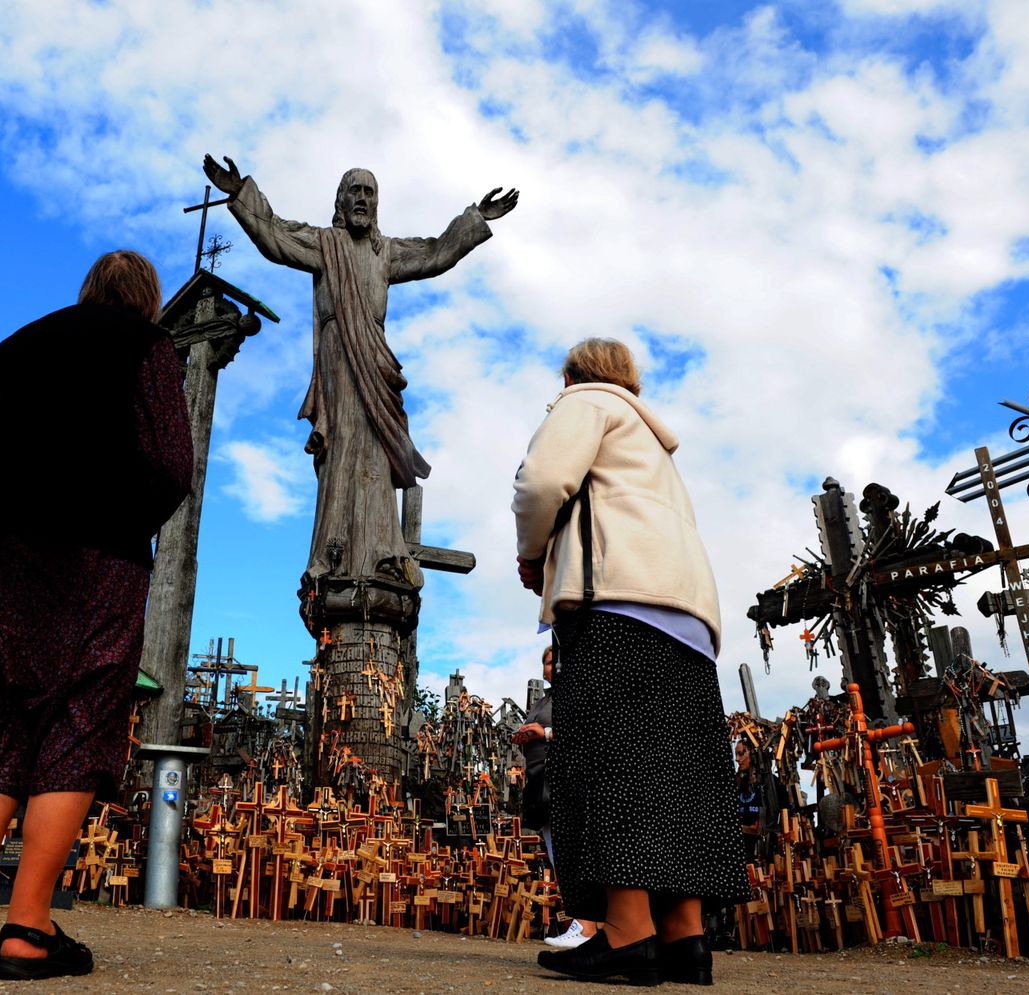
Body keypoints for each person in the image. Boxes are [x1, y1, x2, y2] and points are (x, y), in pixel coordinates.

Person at [0, 250, 192, 981]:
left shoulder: (21, 345)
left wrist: (21, 498)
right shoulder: (148, 345)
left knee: (2, 710)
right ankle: (29, 925)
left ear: (87, 290)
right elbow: (171, 462)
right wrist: (115, 509)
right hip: (98, 550)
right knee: (81, 709)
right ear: (148, 299)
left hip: (4, 547)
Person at [513, 337, 748, 986]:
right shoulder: (655, 448)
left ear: (570, 373)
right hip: (688, 617)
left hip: (616, 599)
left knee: (611, 759)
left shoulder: (585, 402)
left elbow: (540, 483)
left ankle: (628, 932)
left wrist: (533, 553)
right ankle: (684, 938)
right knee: (677, 772)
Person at [202, 154, 517, 584]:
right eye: (355, 191)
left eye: (370, 192)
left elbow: (437, 253)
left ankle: (381, 547)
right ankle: (334, 551)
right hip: (339, 357)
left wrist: (477, 218)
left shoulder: (385, 252)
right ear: (340, 199)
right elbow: (274, 235)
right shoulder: (322, 243)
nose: (362, 199)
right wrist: (241, 194)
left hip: (374, 359)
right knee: (344, 445)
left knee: (374, 454)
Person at [511, 644, 598, 949]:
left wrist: (543, 733)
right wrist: (523, 736)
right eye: (545, 663)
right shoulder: (543, 699)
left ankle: (586, 925)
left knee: (569, 849)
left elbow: (587, 731)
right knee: (555, 851)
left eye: (553, 662)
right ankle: (582, 922)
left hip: (563, 778)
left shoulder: (576, 692)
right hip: (539, 779)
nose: (549, 668)